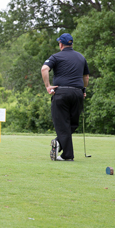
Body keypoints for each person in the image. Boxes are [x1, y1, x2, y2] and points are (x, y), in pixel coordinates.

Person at [41, 33, 89, 161]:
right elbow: (86, 77)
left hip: (61, 92)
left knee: (63, 124)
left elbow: (44, 69)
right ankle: (65, 152)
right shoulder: (81, 57)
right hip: (77, 93)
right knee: (72, 124)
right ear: (71, 43)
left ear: (61, 44)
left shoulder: (56, 57)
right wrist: (83, 89)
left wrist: (48, 86)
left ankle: (61, 147)